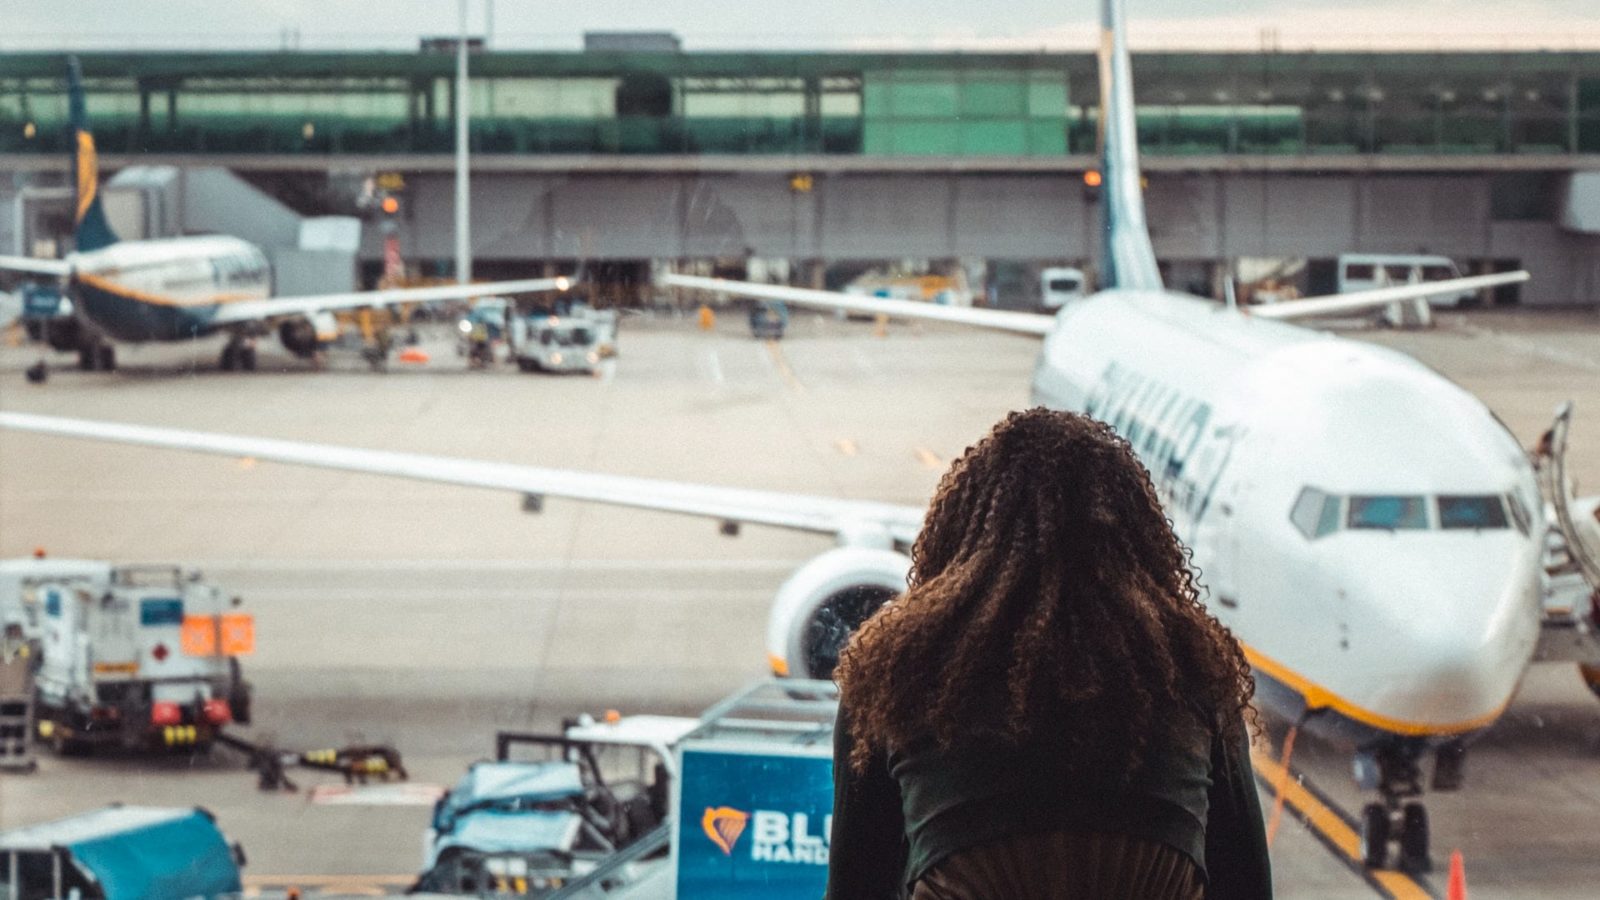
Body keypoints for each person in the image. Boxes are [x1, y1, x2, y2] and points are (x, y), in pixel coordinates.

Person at [827, 408, 1271, 900]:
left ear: (962, 532)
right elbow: (1247, 884)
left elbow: (856, 886)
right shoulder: (1196, 671)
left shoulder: (895, 674)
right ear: (1138, 538)